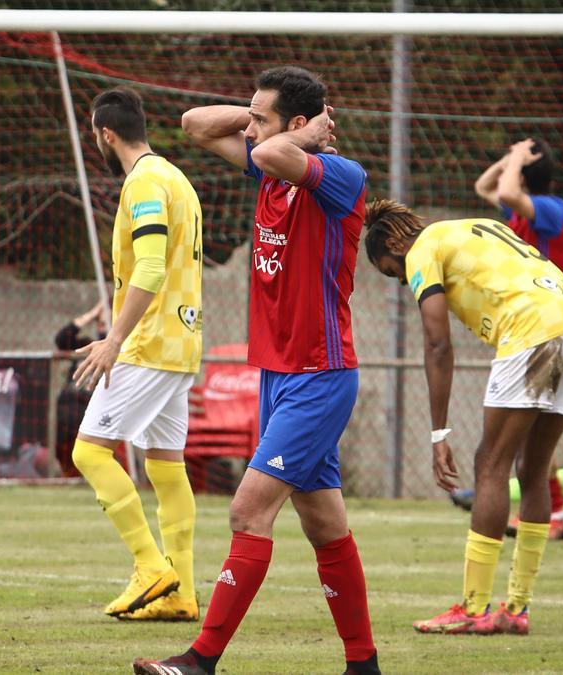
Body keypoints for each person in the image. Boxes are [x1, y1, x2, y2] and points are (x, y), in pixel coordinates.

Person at [134, 66, 379, 675]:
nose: (248, 129)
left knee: (247, 512)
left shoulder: (339, 177)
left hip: (319, 376)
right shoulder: (273, 162)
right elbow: (193, 126)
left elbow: (271, 147)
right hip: (279, 375)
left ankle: (200, 661)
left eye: (261, 117)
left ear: (297, 127)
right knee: (324, 526)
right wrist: (263, 117)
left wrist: (293, 134)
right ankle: (364, 666)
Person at [362, 199, 563, 636]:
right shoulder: (474, 225)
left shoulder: (421, 250)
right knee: (534, 470)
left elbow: (437, 344)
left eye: (393, 273)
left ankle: (472, 608)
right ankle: (517, 609)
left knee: (490, 465)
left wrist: (439, 433)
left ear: (395, 243)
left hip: (532, 328)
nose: (402, 281)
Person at [69, 87, 203, 623]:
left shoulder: (145, 181)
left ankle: (152, 567)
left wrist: (114, 339)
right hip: (182, 341)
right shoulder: (177, 179)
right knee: (166, 466)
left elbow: (149, 268)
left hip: (148, 343)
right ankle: (182, 591)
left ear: (105, 133)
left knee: (89, 452)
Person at [475, 137, 563, 540]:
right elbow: (486, 188)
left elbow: (505, 190)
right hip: (532, 329)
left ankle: (556, 515)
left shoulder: (552, 210)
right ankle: (557, 514)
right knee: (525, 438)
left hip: (550, 327)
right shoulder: (521, 215)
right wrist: (509, 159)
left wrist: (515, 160)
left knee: (521, 440)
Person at [53, 301, 107, 477]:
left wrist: (107, 330)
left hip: (96, 406)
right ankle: (67, 472)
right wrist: (92, 314)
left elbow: (114, 344)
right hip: (70, 404)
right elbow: (61, 339)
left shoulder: (124, 346)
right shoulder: (87, 345)